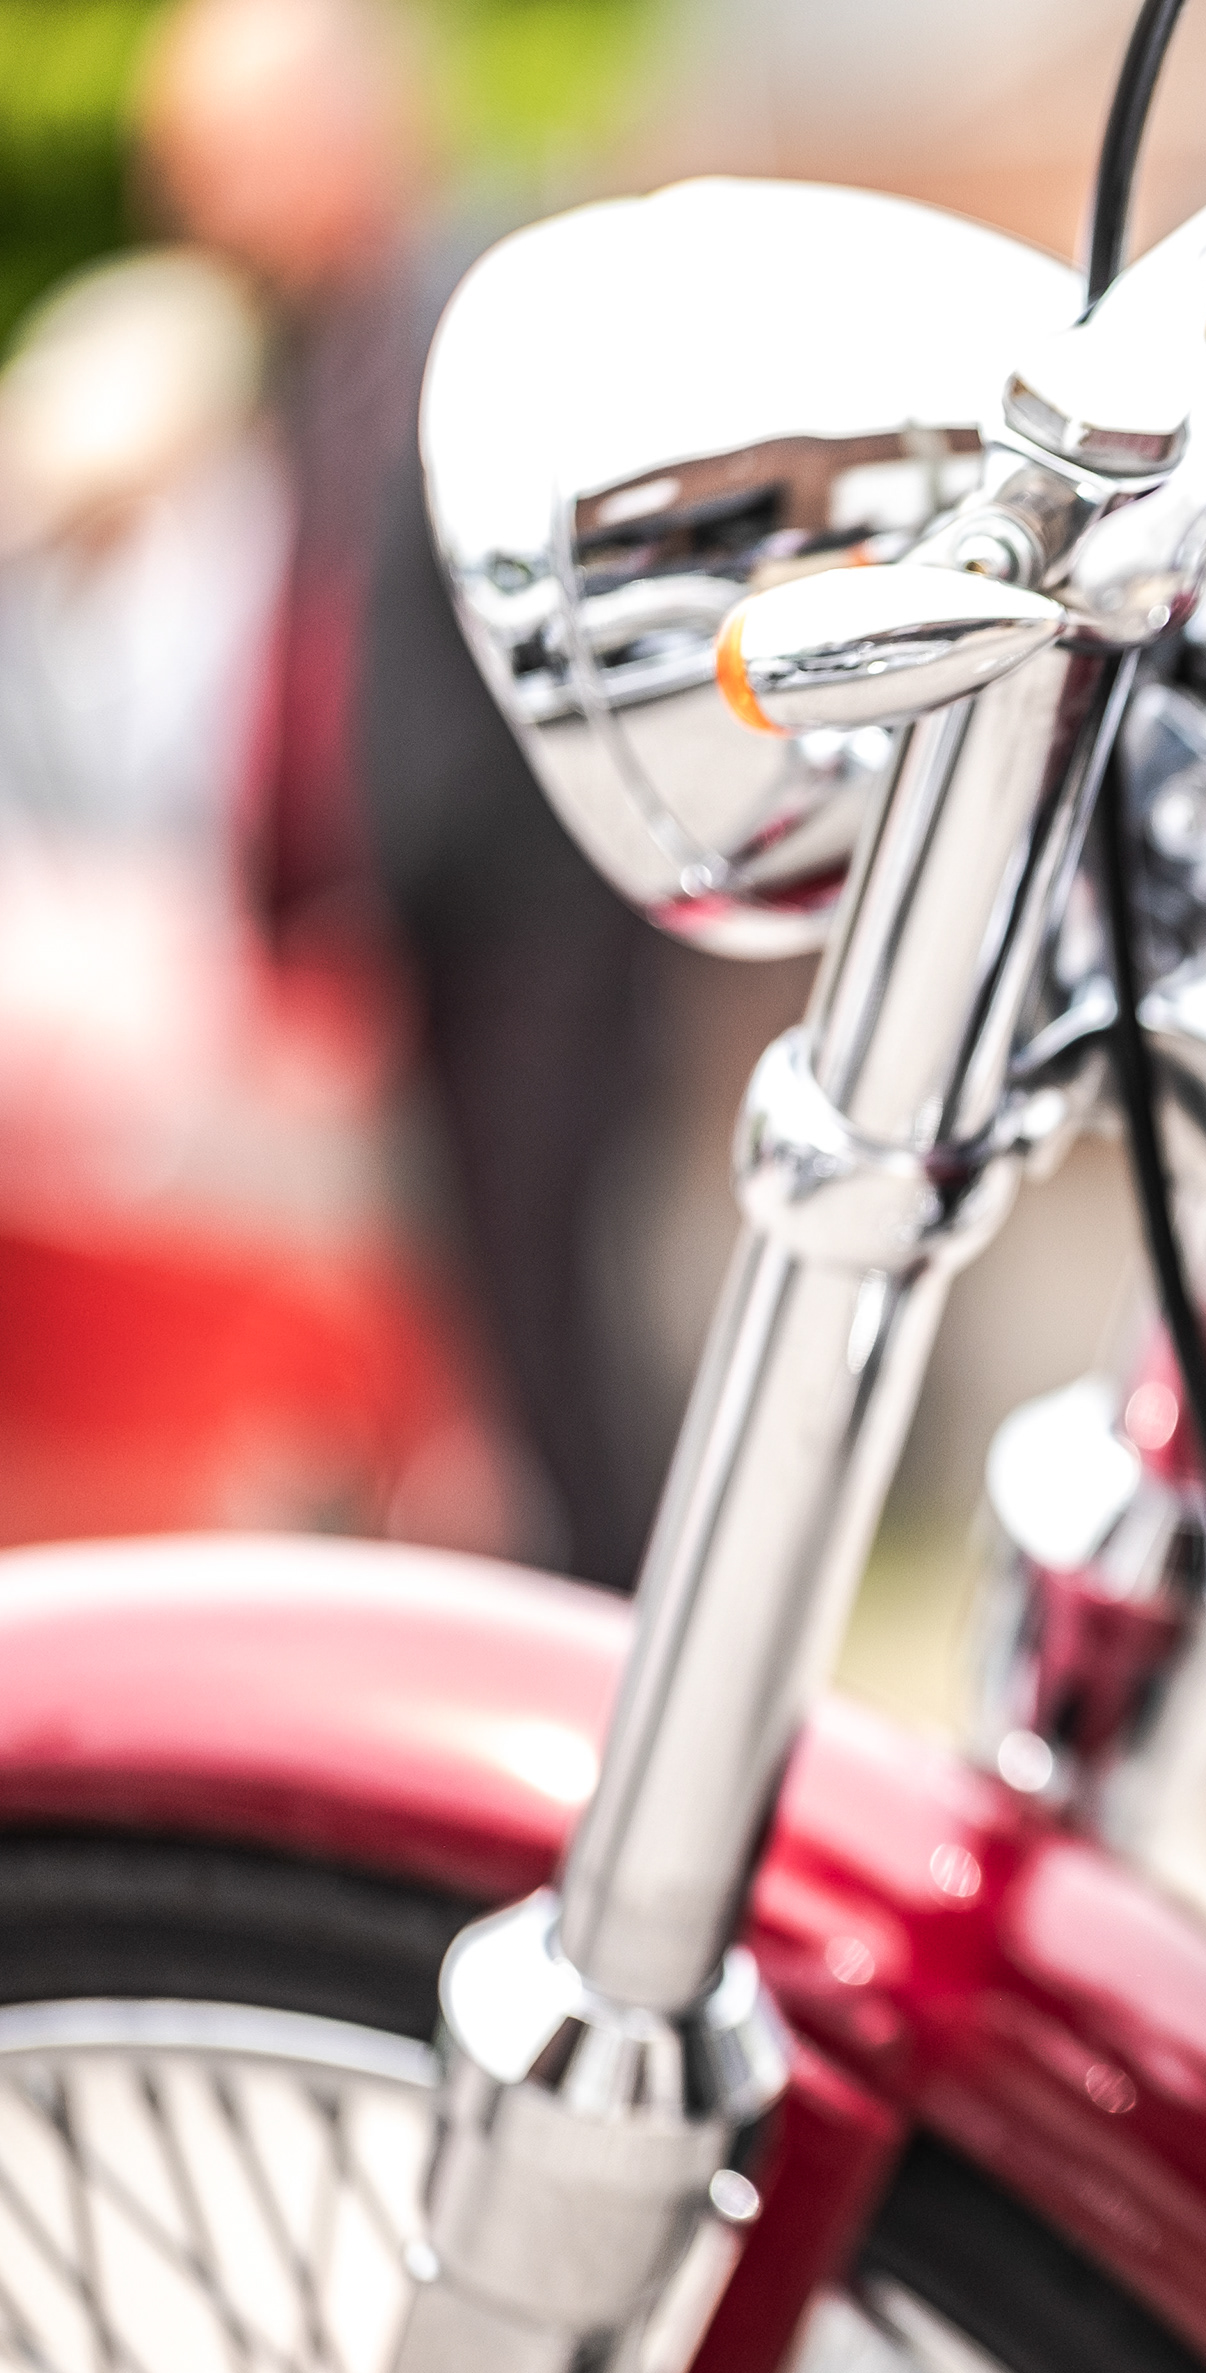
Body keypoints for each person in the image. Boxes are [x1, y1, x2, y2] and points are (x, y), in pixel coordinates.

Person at [124, 0, 679, 1583]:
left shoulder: (488, 320)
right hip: (434, 931)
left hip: (544, 919)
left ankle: (641, 1622)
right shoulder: (329, 344)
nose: (204, 205)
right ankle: (586, 1604)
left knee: (556, 1308)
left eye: (225, 158)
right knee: (491, 1320)